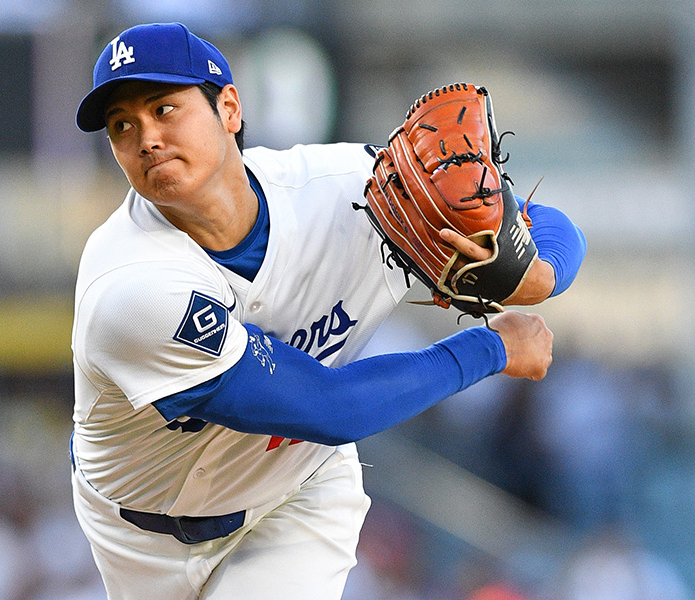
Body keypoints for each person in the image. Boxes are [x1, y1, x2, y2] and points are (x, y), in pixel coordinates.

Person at [69, 22, 586, 600]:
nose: (147, 138)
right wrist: (490, 348)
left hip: (296, 497)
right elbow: (328, 406)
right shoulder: (130, 285)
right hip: (138, 536)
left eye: (165, 108)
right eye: (123, 125)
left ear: (230, 108)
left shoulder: (352, 192)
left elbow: (559, 226)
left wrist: (535, 270)